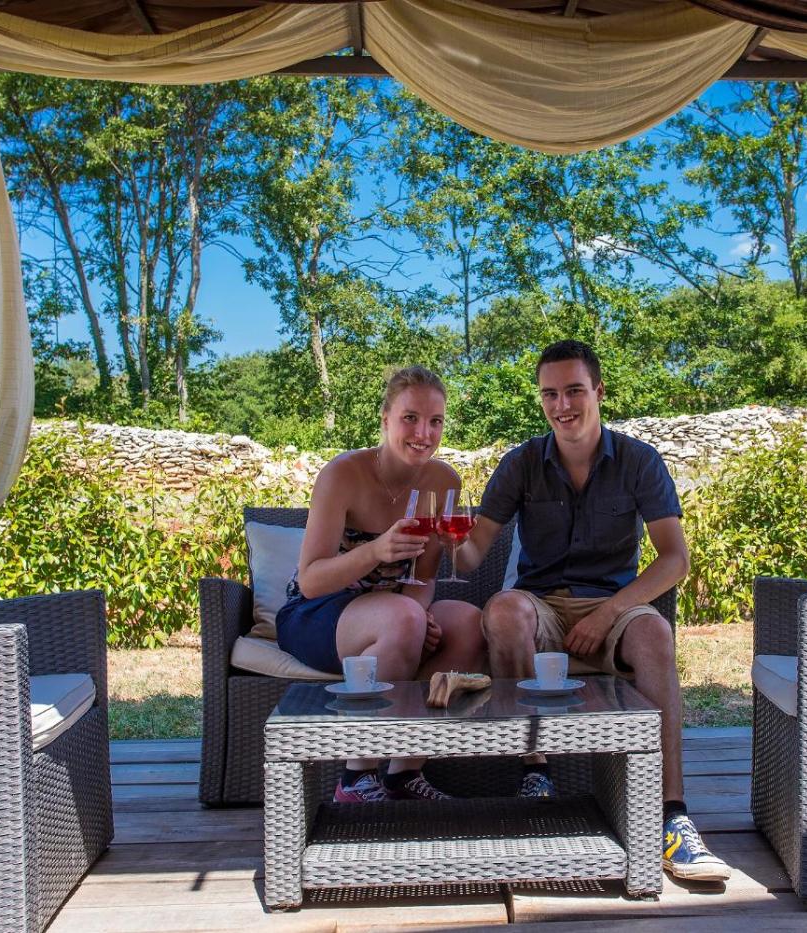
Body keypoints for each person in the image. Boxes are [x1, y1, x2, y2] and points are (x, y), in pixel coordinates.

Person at [448, 340, 732, 883]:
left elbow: (675, 560)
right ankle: (535, 773)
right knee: (504, 610)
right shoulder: (521, 463)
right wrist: (444, 542)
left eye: (574, 390)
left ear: (599, 392)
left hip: (614, 604)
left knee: (656, 636)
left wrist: (609, 613)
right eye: (550, 394)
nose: (562, 405)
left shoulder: (639, 461)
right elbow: (471, 555)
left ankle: (671, 816)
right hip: (540, 604)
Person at [276, 365, 485, 803]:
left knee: (468, 623)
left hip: (394, 613)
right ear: (386, 419)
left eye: (435, 421)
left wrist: (420, 615)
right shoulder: (342, 474)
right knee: (402, 616)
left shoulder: (443, 480)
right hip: (317, 613)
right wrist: (375, 551)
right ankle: (356, 777)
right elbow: (311, 580)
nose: (424, 433)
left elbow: (423, 577)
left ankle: (404, 773)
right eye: (410, 418)